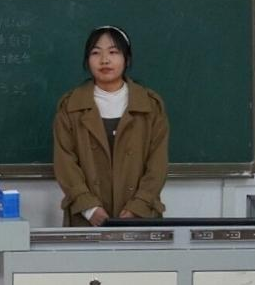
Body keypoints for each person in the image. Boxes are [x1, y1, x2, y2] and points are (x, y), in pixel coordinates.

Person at [52, 25, 169, 226]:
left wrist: (139, 205)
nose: (104, 60)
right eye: (96, 53)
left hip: (141, 218)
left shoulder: (150, 106)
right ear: (87, 60)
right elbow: (65, 163)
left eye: (113, 52)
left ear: (127, 59)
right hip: (86, 220)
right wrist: (89, 208)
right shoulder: (70, 106)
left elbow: (158, 164)